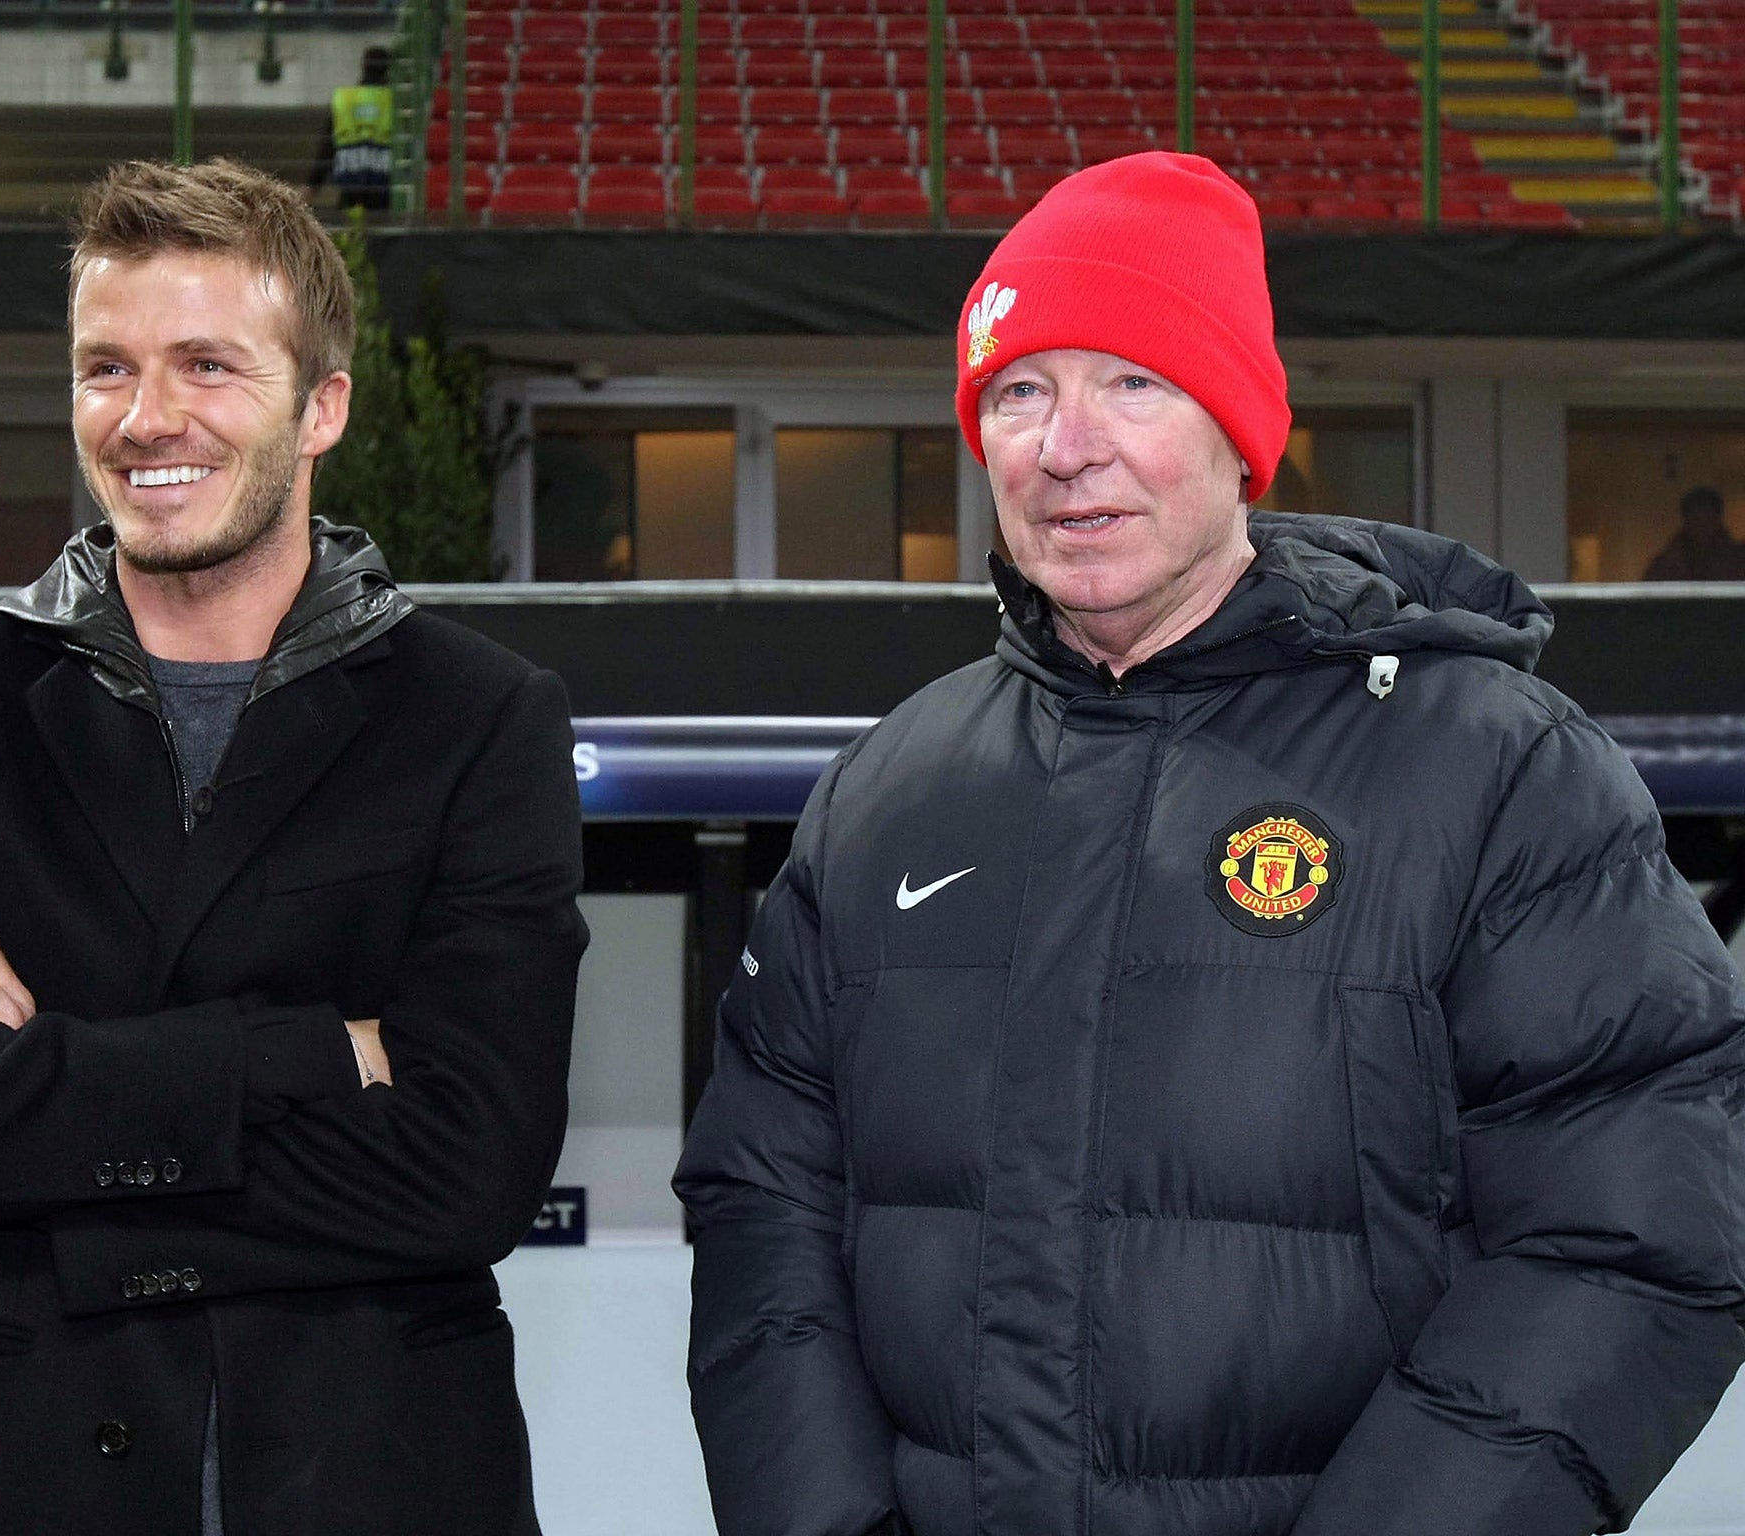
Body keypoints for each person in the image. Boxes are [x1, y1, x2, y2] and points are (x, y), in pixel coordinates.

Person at [675, 152, 1745, 1536]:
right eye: (1019, 391)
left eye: (1133, 381)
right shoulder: (890, 787)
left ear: (1242, 429)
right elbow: (767, 1218)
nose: (1068, 448)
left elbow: (1630, 1238)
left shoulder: (1498, 771)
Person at [0, 159, 586, 1536]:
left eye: (208, 365)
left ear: (319, 404)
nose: (147, 418)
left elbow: (473, 1167)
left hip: (377, 1478)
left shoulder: (477, 716)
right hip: (13, 1478)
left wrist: (42, 1106)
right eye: (107, 368)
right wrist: (317, 1054)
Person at [310, 45, 396, 214]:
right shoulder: (395, 100)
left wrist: (313, 185)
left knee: (350, 231)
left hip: (351, 181)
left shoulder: (345, 99)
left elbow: (327, 147)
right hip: (385, 182)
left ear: (363, 66)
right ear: (388, 69)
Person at [1642, 484, 1745, 581]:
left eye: (1709, 519)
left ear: (1718, 520)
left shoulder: (1738, 559)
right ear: (1686, 521)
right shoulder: (1666, 565)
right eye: (1696, 520)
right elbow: (1649, 595)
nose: (1702, 527)